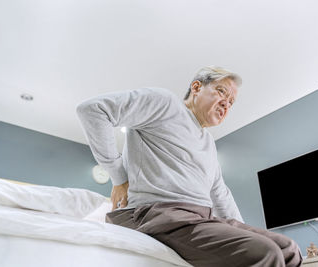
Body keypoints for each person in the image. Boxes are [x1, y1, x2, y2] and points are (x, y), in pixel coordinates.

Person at [76, 66, 303, 267]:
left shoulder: (208, 143)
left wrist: (239, 230)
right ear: (196, 87)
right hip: (158, 213)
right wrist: (119, 178)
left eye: (232, 101)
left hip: (200, 218)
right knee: (263, 253)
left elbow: (220, 193)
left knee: (289, 249)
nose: (227, 103)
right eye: (222, 91)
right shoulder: (165, 103)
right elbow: (93, 110)